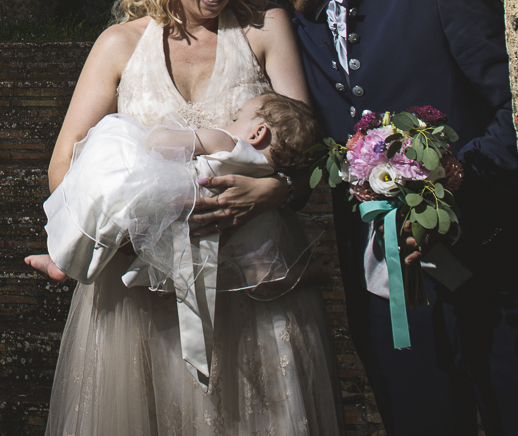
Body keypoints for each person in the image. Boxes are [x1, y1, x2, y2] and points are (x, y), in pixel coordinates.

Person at [244, 0, 518, 436]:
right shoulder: (294, 38)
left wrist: (459, 179)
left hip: (488, 281)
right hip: (387, 311)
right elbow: (302, 150)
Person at [38, 0, 339, 435]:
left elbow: (306, 149)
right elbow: (63, 168)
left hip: (250, 305)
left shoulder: (265, 30)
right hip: (139, 305)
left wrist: (273, 190)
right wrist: (133, 213)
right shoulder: (118, 45)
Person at [25, 93, 325, 392]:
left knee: (113, 173)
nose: (230, 122)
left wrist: (161, 134)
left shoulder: (228, 143)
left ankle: (65, 258)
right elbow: (263, 270)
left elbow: (159, 143)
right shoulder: (263, 187)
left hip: (171, 202)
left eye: (237, 118)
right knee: (253, 268)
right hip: (207, 237)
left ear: (258, 133)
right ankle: (306, 272)